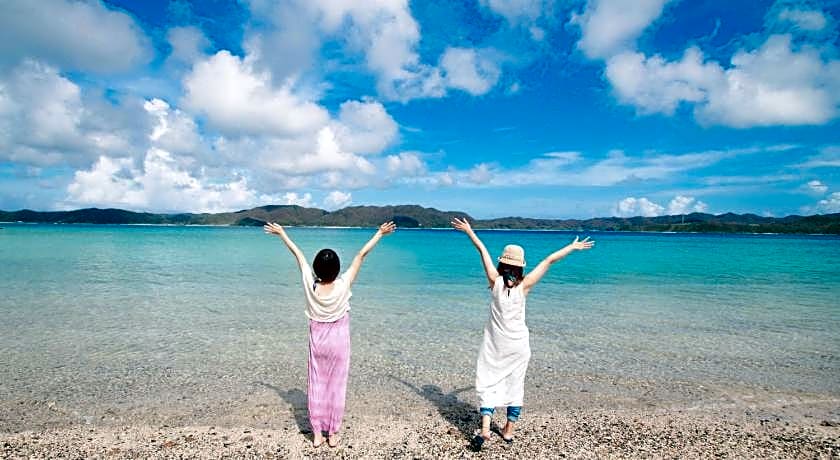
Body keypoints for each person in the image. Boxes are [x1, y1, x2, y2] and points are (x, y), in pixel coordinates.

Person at [451, 217, 594, 450]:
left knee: (489, 381)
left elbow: (481, 249)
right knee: (515, 385)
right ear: (520, 267)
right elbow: (549, 260)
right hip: (518, 346)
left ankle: (486, 429)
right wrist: (572, 246)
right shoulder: (525, 286)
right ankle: (508, 431)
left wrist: (469, 231)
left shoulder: (494, 281)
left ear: (502, 264)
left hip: (494, 345)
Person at [264, 221, 396, 448]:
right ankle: (332, 433)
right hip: (339, 342)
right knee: (336, 386)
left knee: (317, 384)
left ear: (316, 269)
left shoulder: (310, 284)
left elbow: (297, 254)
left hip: (318, 342)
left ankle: (316, 433)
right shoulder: (343, 284)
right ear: (337, 270)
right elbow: (361, 255)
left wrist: (282, 233)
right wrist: (380, 234)